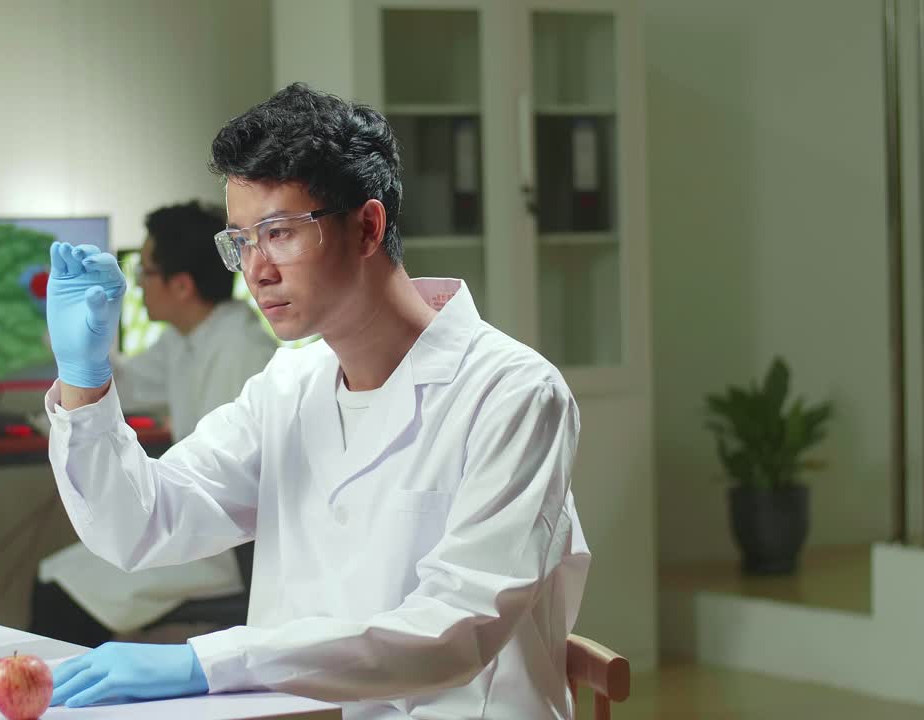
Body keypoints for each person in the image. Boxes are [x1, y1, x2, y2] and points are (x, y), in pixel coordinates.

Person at [41, 83, 589, 719]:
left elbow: (455, 629)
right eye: (241, 240)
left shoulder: (514, 393)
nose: (256, 270)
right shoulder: (288, 386)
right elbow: (141, 524)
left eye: (278, 233)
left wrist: (209, 664)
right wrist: (84, 379)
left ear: (367, 227)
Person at [33, 201, 277, 643]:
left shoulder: (244, 352)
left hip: (224, 546)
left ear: (181, 285)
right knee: (57, 577)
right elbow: (130, 383)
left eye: (144, 272)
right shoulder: (187, 340)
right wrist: (79, 353)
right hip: (185, 521)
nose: (139, 285)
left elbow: (224, 488)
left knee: (63, 593)